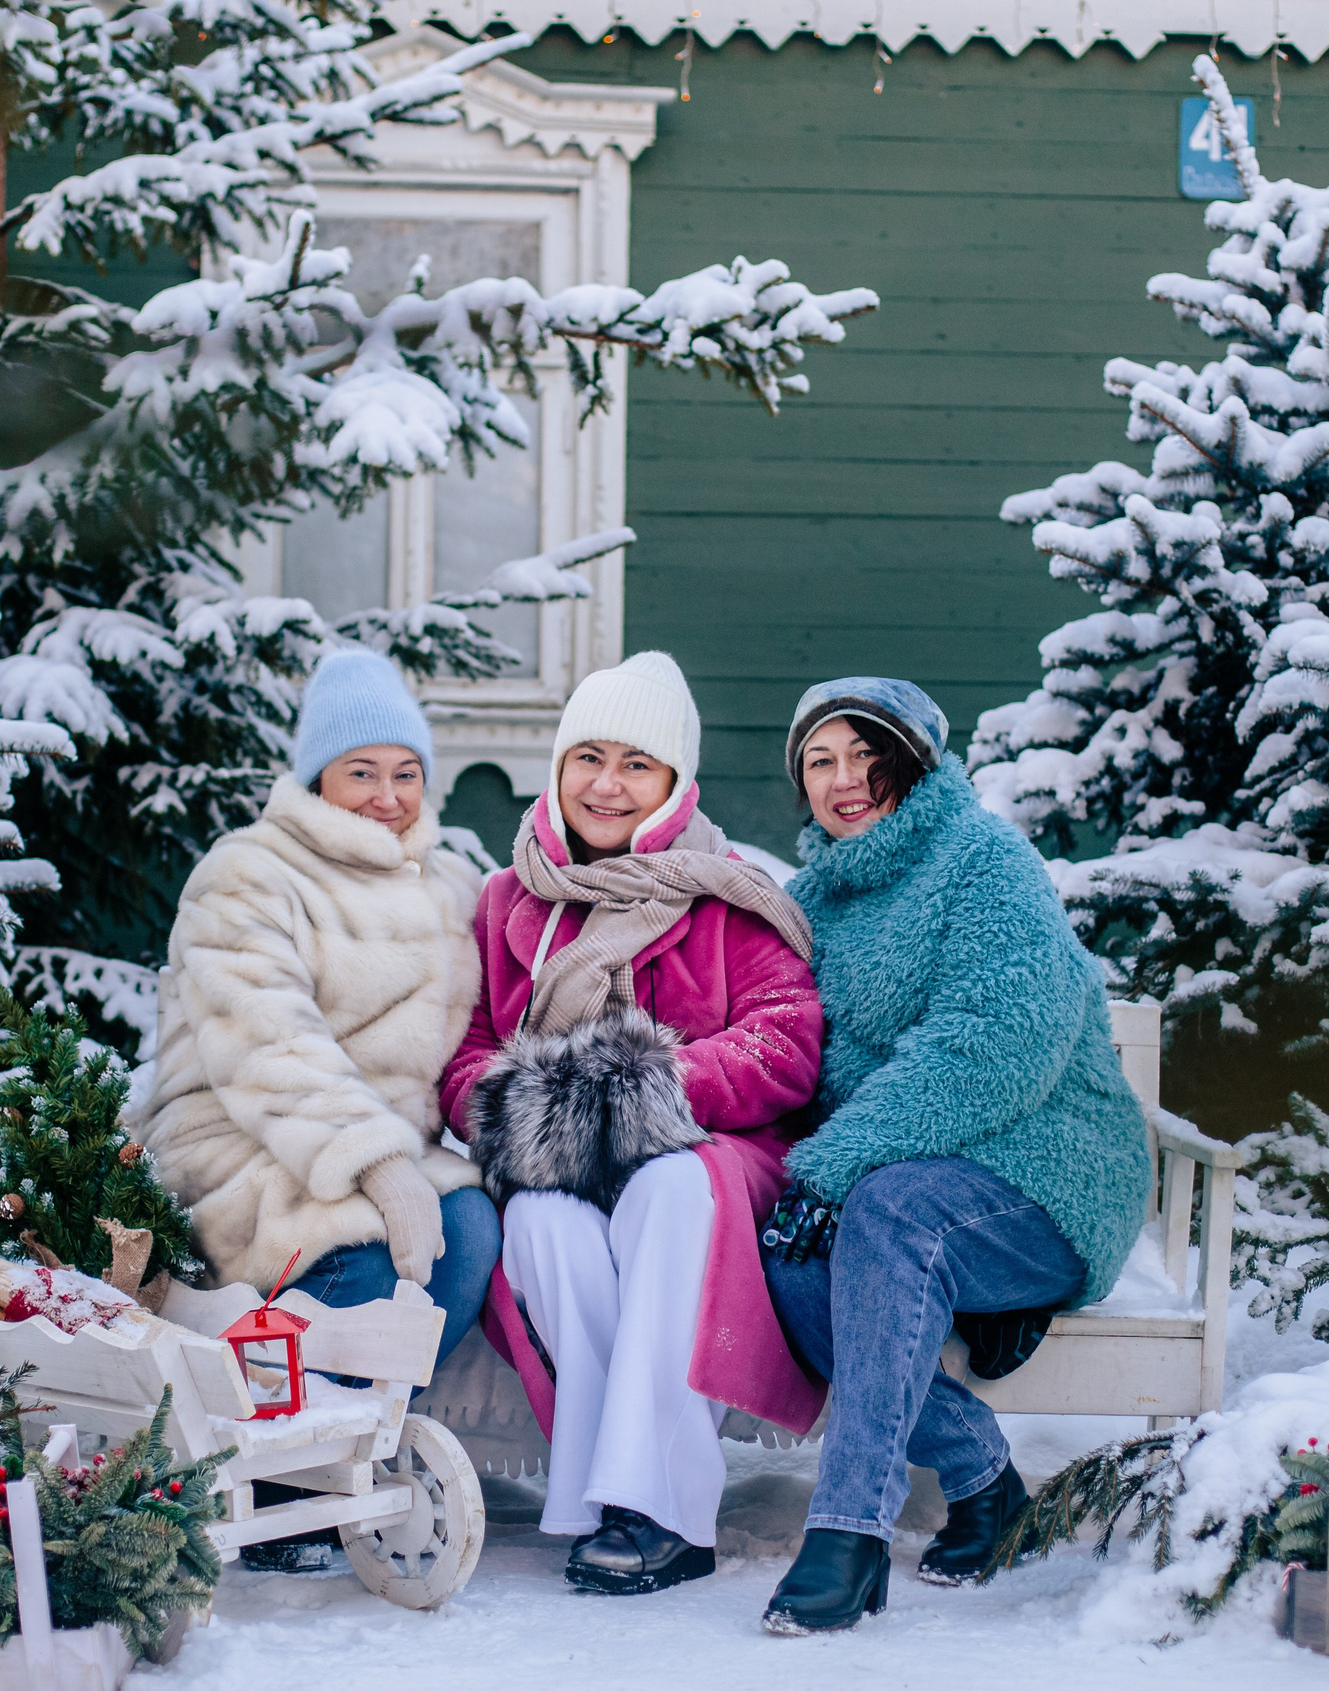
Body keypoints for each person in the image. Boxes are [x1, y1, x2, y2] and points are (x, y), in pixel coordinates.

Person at [755, 677, 1154, 1636]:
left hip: (1050, 1173)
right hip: (910, 1182)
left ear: (917, 760)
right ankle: (984, 1480)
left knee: (891, 1213)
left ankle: (847, 1535)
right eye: (821, 761)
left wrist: (835, 1162)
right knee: (788, 1260)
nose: (845, 780)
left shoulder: (981, 858)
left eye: (867, 754)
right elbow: (797, 1054)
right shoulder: (808, 902)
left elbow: (993, 1044)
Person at [439, 651, 825, 1596]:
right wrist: (534, 1119)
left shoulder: (729, 894)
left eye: (635, 765)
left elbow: (785, 1043)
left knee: (664, 1184)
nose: (606, 785)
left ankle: (668, 1508)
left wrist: (632, 1100)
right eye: (588, 757)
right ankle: (604, 1493)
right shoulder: (507, 899)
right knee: (537, 1223)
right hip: (552, 1164)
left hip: (710, 1163)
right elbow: (467, 1057)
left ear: (673, 784)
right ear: (560, 765)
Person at [137, 645, 500, 1356]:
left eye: (406, 774)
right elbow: (268, 1041)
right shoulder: (247, 873)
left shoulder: (451, 886)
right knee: (366, 1251)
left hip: (384, 1154)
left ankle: (363, 1430)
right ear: (316, 779)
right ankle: (288, 1439)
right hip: (243, 1146)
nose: (387, 798)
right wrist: (378, 1161)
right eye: (360, 773)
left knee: (472, 1229)